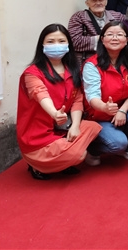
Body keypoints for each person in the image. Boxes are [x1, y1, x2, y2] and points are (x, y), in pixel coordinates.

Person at [17, 24, 101, 180]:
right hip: (38, 136)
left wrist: (75, 126)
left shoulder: (72, 70)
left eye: (61, 41)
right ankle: (38, 166)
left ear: (68, 44)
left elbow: (77, 100)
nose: (56, 45)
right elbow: (40, 94)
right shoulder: (32, 73)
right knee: (80, 155)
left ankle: (59, 159)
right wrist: (54, 113)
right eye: (50, 41)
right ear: (42, 45)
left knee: (92, 127)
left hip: (61, 129)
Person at [82, 21, 128, 165]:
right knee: (118, 143)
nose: (115, 38)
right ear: (102, 39)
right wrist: (105, 107)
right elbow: (92, 96)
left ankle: (127, 148)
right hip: (97, 117)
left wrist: (122, 110)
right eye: (110, 34)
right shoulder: (92, 65)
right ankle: (92, 149)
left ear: (126, 40)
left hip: (118, 113)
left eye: (119, 35)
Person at [68, 0, 125, 65]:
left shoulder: (117, 16)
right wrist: (102, 38)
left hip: (114, 62)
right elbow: (74, 42)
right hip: (87, 62)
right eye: (94, 0)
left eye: (101, 0)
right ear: (87, 3)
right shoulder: (79, 17)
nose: (98, 3)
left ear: (106, 1)